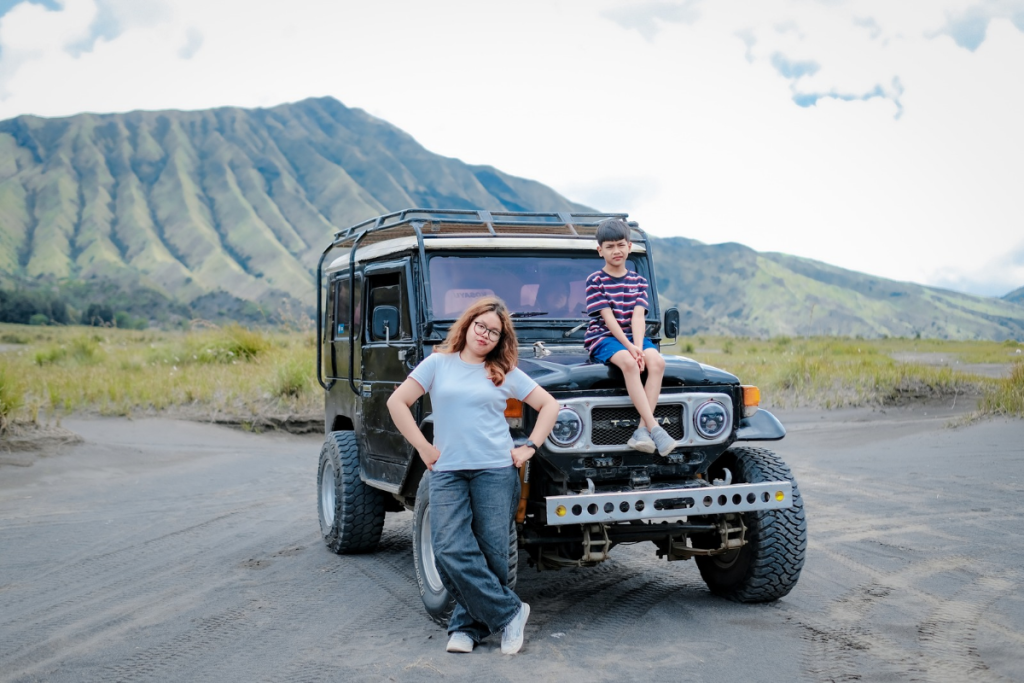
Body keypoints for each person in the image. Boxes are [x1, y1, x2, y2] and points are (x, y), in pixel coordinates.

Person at [387, 296, 559, 655]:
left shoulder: (503, 371)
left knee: (492, 553)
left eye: (494, 332)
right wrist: (423, 447)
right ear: (467, 325)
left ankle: (466, 627)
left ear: (500, 340)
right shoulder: (438, 363)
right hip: (446, 469)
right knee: (449, 547)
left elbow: (549, 405)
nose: (485, 335)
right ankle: (511, 612)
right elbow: (396, 402)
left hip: (495, 469)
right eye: (481, 326)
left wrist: (530, 446)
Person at [584, 218, 678, 456]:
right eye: (609, 246)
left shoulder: (639, 281)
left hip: (634, 336)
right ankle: (655, 427)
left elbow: (638, 318)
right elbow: (608, 319)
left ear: (629, 246)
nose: (616, 250)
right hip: (604, 336)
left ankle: (641, 432)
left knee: (656, 362)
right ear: (600, 250)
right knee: (628, 363)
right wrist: (629, 348)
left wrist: (638, 347)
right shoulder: (595, 281)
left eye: (620, 244)